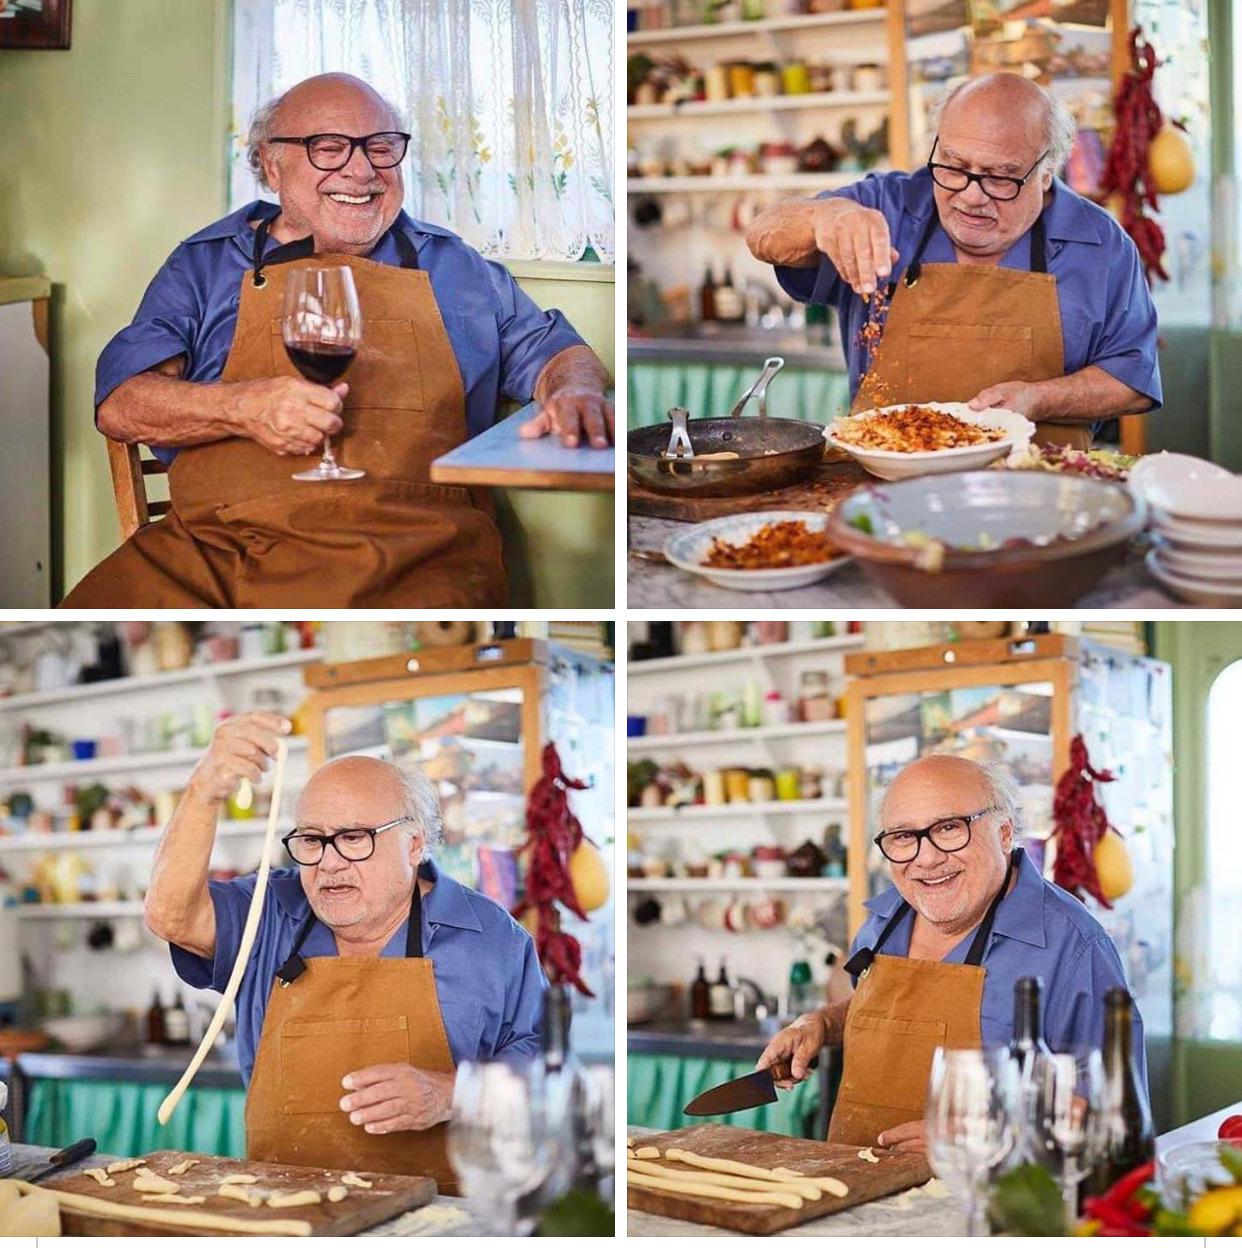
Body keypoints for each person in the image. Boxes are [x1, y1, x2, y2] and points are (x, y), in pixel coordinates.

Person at [62, 72, 612, 607]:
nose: (361, 170)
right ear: (271, 166)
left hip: (410, 554)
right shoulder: (203, 265)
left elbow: (558, 353)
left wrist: (574, 392)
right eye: (329, 148)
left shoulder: (456, 267)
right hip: (213, 552)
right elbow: (123, 404)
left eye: (380, 147)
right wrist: (240, 407)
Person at [144, 712, 545, 1193]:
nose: (329, 864)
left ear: (414, 843)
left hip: (446, 1221)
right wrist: (204, 790)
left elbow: (550, 1077)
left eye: (354, 838)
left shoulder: (492, 939)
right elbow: (170, 916)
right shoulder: (267, 914)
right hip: (288, 1213)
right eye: (312, 840)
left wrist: (451, 1093)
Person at [756, 754, 1145, 1157]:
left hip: (993, 1211)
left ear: (1005, 833)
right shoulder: (883, 922)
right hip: (855, 1200)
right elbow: (891, 1012)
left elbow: (1114, 1116)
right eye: (904, 837)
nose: (926, 858)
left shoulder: (1075, 948)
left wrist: (989, 1135)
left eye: (949, 828)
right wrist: (820, 1024)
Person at [745, 73, 1161, 448]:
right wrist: (824, 216)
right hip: (884, 485)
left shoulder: (1099, 245)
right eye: (955, 166)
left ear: (1047, 170)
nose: (971, 195)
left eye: (1000, 177)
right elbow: (764, 234)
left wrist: (1039, 398)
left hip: (1040, 486)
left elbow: (1133, 381)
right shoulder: (889, 205)